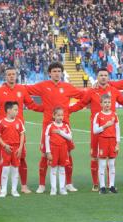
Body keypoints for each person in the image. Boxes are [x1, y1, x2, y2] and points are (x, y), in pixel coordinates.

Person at [0, 67, 43, 195]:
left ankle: (24, 186)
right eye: (8, 74)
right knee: (0, 159)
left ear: (16, 76)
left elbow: (31, 104)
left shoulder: (22, 90)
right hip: (3, 132)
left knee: (22, 158)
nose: (11, 76)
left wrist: (45, 109)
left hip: (19, 131)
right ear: (5, 76)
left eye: (13, 74)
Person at [26, 61, 84, 193]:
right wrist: (38, 108)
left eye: (59, 71)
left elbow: (84, 96)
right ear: (49, 73)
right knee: (45, 154)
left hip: (65, 125)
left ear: (62, 73)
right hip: (48, 125)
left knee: (68, 154)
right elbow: (25, 90)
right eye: (54, 71)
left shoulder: (67, 87)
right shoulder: (43, 86)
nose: (57, 73)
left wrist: (71, 109)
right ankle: (41, 184)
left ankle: (68, 183)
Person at [69, 68, 123, 191]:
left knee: (110, 157)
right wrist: (68, 110)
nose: (103, 77)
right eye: (101, 75)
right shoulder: (91, 91)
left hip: (111, 131)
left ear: (108, 77)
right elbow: (81, 104)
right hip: (97, 130)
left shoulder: (114, 91)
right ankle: (96, 183)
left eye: (105, 75)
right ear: (97, 77)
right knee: (94, 156)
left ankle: (110, 183)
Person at [0, 101, 25, 198]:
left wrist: (20, 147)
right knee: (5, 169)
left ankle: (14, 190)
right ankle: (3, 190)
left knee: (15, 169)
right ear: (8, 110)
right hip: (6, 149)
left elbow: (22, 134)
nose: (17, 112)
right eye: (15, 110)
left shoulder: (19, 122)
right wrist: (4, 145)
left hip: (16, 149)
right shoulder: (2, 122)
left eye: (17, 110)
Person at [93, 94, 120, 194]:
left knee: (112, 164)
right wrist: (105, 126)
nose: (107, 104)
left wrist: (118, 143)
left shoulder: (114, 115)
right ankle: (102, 187)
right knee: (103, 164)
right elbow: (95, 130)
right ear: (101, 104)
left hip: (112, 141)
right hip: (103, 141)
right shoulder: (98, 115)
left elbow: (118, 129)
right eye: (105, 102)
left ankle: (112, 186)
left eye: (108, 102)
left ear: (111, 103)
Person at [45, 107, 72, 196]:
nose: (60, 117)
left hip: (63, 149)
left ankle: (62, 188)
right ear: (54, 116)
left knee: (62, 168)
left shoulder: (65, 126)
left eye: (62, 115)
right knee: (53, 168)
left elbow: (69, 137)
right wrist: (48, 152)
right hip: (53, 149)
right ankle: (53, 189)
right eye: (58, 115)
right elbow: (46, 139)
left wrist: (60, 132)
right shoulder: (50, 126)